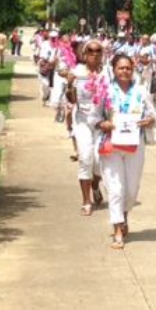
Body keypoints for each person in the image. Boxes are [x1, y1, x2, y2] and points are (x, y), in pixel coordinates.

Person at [90, 54, 156, 249]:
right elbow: (93, 116)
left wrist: (150, 121)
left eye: (128, 68)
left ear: (133, 69)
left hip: (134, 144)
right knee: (115, 188)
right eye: (121, 68)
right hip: (111, 144)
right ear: (114, 69)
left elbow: (153, 115)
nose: (125, 71)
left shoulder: (141, 90)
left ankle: (124, 214)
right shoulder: (106, 90)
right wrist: (103, 123)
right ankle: (117, 227)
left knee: (131, 189)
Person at [67, 40, 106, 215]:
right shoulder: (77, 72)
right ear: (84, 53)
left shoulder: (107, 73)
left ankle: (95, 185)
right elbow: (72, 99)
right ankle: (86, 200)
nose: (94, 53)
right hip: (82, 120)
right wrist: (69, 84)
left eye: (98, 50)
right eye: (90, 50)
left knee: (99, 161)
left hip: (101, 122)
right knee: (85, 158)